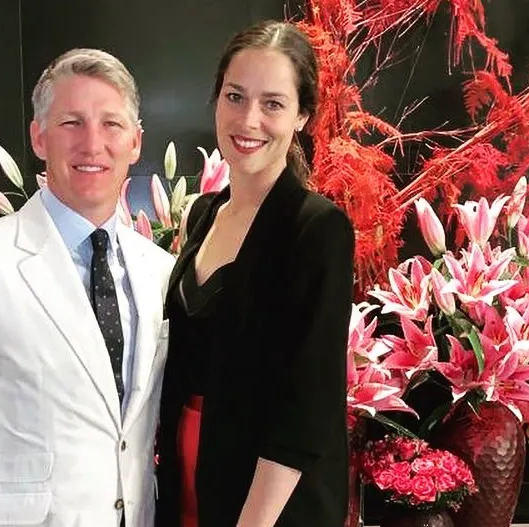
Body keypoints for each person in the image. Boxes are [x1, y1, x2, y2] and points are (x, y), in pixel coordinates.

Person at [0, 48, 175, 527]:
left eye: (111, 124)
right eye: (72, 122)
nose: (93, 144)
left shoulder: (159, 269)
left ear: (135, 142)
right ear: (38, 137)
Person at [155, 20, 355, 527]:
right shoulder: (203, 214)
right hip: (192, 476)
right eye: (235, 96)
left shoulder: (317, 228)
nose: (248, 120)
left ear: (302, 116)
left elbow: (307, 405)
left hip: (269, 500)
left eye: (273, 104)